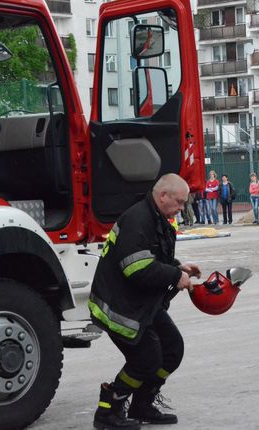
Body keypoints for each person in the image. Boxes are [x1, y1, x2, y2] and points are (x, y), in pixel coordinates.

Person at [89, 174, 201, 430]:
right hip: (118, 306)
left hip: (140, 302)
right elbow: (136, 269)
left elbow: (151, 257)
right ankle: (108, 411)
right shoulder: (138, 219)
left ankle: (142, 404)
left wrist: (178, 266)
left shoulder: (155, 217)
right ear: (163, 196)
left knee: (172, 349)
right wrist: (175, 276)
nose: (182, 208)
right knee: (147, 359)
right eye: (180, 202)